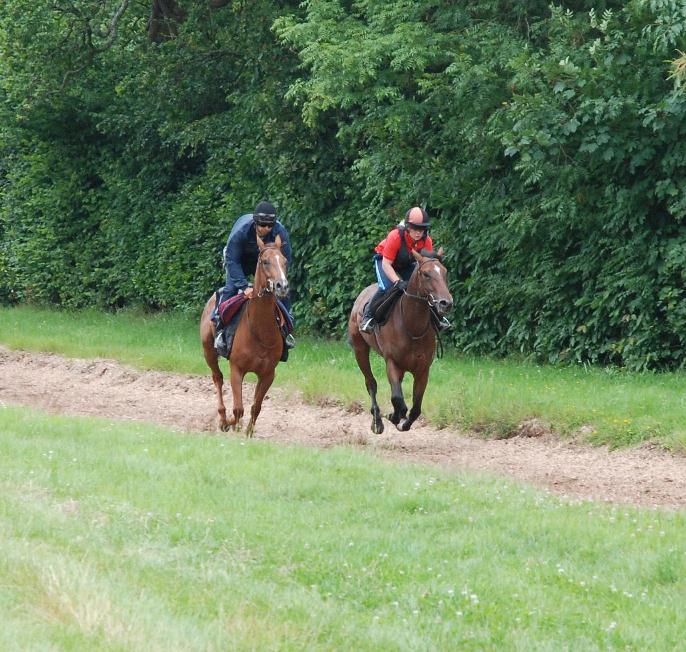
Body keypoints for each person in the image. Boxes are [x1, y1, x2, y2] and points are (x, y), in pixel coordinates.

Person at [214, 200, 295, 354]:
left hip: (266, 262)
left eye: (270, 225)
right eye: (263, 225)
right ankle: (220, 330)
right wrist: (244, 286)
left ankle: (286, 331)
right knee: (231, 289)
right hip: (240, 260)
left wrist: (279, 279)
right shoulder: (241, 233)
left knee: (283, 292)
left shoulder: (280, 231)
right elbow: (232, 260)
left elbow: (285, 260)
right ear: (255, 224)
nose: (267, 228)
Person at [359, 206, 450, 333]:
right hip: (385, 261)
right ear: (408, 227)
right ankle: (368, 317)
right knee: (387, 286)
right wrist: (397, 281)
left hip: (406, 263)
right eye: (415, 229)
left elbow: (426, 264)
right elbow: (386, 264)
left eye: (422, 229)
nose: (418, 233)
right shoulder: (395, 236)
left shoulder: (426, 240)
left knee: (424, 286)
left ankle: (438, 319)